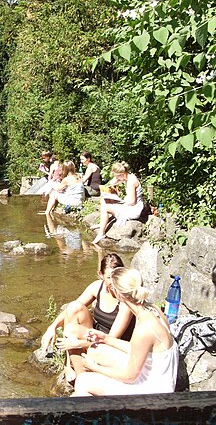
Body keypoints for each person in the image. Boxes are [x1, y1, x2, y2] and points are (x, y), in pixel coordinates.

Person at [73, 267, 178, 396]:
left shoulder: (143, 329)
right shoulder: (152, 309)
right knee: (96, 350)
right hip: (157, 375)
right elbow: (139, 349)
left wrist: (95, 368)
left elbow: (129, 377)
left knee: (83, 381)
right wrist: (105, 338)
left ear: (118, 295)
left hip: (154, 392)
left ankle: (98, 414)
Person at [40, 254, 134, 381]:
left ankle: (82, 379)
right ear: (100, 274)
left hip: (113, 344)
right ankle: (74, 369)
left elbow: (112, 339)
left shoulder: (125, 299)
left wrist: (79, 343)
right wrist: (52, 327)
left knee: (74, 337)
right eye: (108, 277)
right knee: (74, 307)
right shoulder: (97, 287)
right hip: (95, 335)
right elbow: (70, 310)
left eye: (115, 276)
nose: (112, 281)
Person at [92, 161, 143, 244]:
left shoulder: (131, 182)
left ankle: (101, 233)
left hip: (134, 208)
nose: (117, 179)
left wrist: (120, 202)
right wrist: (115, 181)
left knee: (105, 208)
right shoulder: (127, 176)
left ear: (122, 174)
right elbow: (112, 182)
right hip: (129, 204)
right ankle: (103, 223)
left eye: (118, 177)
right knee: (103, 200)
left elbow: (132, 202)